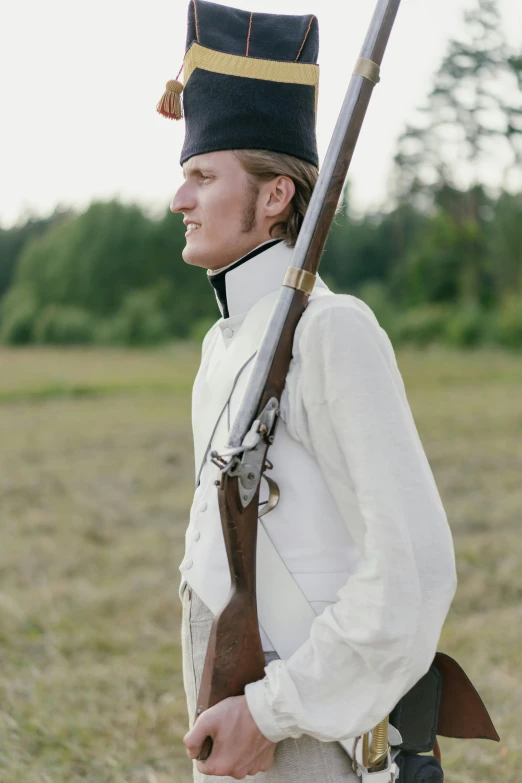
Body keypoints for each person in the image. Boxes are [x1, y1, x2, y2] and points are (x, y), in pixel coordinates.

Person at [159, 1, 457, 780]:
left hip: (311, 749)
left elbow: (415, 570)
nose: (178, 200)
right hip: (235, 738)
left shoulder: (332, 333)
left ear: (275, 198)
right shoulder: (222, 346)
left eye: (201, 175)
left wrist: (271, 710)